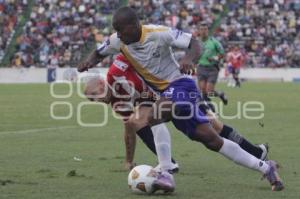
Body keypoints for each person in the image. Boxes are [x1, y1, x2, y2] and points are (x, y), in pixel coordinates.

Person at [78, 6, 284, 192]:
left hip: (181, 85)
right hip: (167, 94)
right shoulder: (119, 40)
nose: (119, 35)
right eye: (117, 30)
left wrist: (187, 59)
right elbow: (99, 52)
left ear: (134, 25)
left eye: (121, 29)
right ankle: (267, 168)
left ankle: (166, 172)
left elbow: (194, 43)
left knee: (150, 116)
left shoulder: (158, 33)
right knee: (211, 139)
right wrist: (88, 61)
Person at [84, 54, 178, 173]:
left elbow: (130, 53)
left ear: (101, 84)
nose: (97, 100)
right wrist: (129, 161)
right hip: (156, 98)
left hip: (167, 84)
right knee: (135, 121)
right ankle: (168, 163)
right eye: (93, 100)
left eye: (94, 95)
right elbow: (129, 131)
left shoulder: (115, 72)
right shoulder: (117, 104)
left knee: (201, 131)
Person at [196, 22, 228, 108]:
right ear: (199, 31)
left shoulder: (214, 42)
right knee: (202, 90)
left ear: (208, 31)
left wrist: (214, 58)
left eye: (205, 29)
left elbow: (222, 53)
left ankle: (221, 94)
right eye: (201, 29)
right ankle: (209, 107)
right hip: (201, 67)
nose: (203, 31)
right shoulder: (196, 42)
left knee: (209, 91)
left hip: (212, 68)